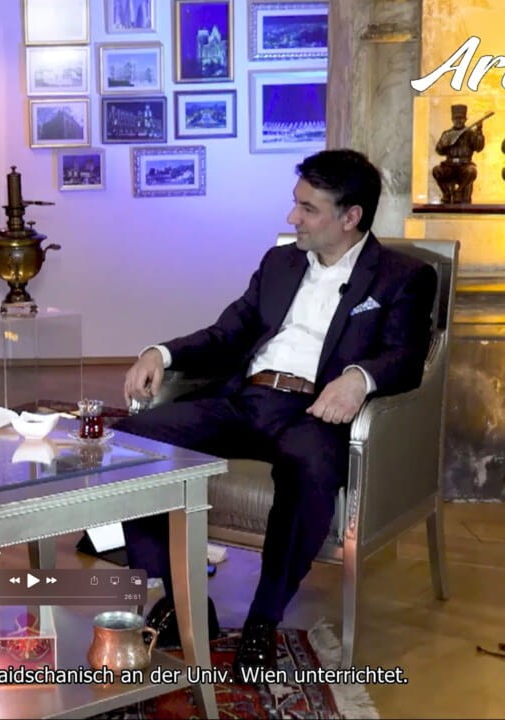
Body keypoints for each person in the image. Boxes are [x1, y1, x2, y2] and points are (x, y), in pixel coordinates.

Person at [115, 149, 437, 680]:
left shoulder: (403, 277)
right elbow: (228, 333)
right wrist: (162, 353)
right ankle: (182, 599)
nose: (293, 218)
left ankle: (263, 619)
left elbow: (406, 357)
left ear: (350, 216)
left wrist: (359, 378)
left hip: (315, 412)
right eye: (296, 204)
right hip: (247, 401)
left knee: (307, 468)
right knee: (132, 440)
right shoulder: (279, 263)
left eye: (308, 209)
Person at [432, 104, 485, 204]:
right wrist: (443, 144)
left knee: (471, 171)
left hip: (464, 166)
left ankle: (459, 191)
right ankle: (446, 193)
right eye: (456, 118)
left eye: (461, 118)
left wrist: (479, 131)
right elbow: (439, 151)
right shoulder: (447, 134)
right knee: (437, 170)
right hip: (449, 166)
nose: (458, 121)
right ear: (452, 120)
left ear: (465, 119)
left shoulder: (470, 133)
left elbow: (478, 147)